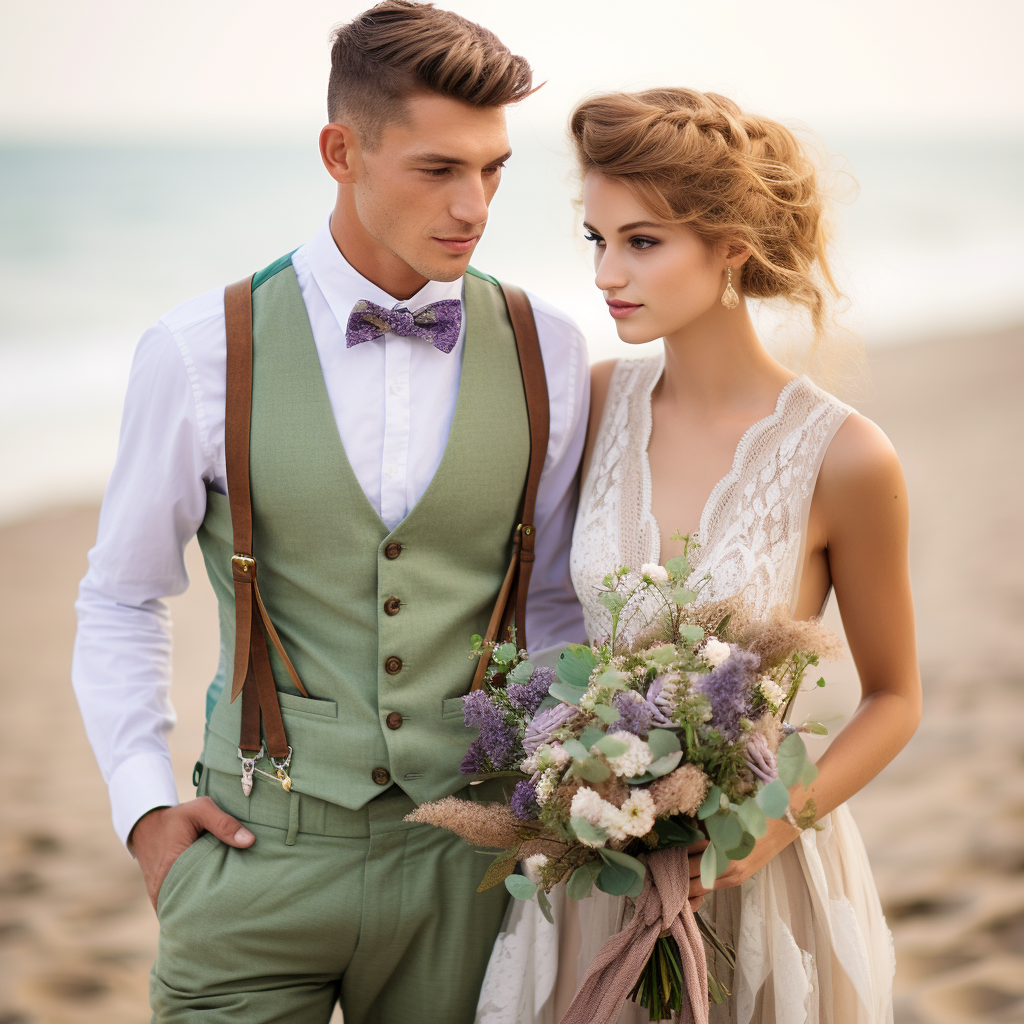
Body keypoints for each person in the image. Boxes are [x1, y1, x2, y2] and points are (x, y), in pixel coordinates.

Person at [70, 3, 589, 1021]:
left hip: (471, 868)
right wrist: (143, 812)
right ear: (339, 151)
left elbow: (560, 603)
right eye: (438, 169)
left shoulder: (550, 350)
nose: (474, 203)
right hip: (258, 855)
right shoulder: (199, 351)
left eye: (492, 169)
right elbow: (123, 595)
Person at [476, 88, 921, 1023]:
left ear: (732, 246)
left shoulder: (845, 454)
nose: (607, 272)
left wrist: (768, 825)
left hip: (752, 863)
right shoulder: (593, 402)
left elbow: (895, 700)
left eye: (643, 241)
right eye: (596, 240)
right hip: (594, 868)